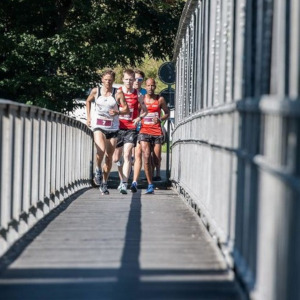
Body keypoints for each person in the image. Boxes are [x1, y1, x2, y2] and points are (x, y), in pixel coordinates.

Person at [86, 69, 129, 195]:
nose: (108, 82)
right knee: (100, 150)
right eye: (105, 80)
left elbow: (126, 110)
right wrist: (88, 117)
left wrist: (118, 112)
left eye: (110, 80)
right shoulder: (96, 91)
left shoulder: (118, 93)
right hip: (98, 125)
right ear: (102, 80)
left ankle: (104, 183)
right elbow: (88, 101)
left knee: (109, 157)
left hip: (113, 128)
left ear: (113, 80)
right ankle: (98, 169)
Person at [112, 69, 148, 194]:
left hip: (131, 128)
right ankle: (122, 178)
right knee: (116, 158)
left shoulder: (138, 95)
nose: (129, 82)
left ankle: (124, 184)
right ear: (122, 80)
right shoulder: (118, 93)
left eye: (131, 80)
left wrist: (139, 118)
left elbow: (145, 110)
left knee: (127, 154)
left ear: (134, 80)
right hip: (118, 127)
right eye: (126, 79)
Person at [139, 78, 169, 194]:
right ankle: (150, 184)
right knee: (146, 156)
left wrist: (160, 119)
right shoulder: (141, 99)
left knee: (156, 159)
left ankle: (153, 172)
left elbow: (167, 113)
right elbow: (136, 112)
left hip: (156, 132)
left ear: (155, 87)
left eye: (152, 86)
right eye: (148, 85)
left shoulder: (160, 99)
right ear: (145, 87)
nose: (150, 88)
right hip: (144, 131)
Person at [130, 69, 147, 193]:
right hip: (126, 126)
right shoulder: (125, 92)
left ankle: (134, 181)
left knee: (138, 154)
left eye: (140, 80)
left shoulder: (145, 93)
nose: (137, 81)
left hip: (140, 125)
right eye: (135, 79)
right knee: (125, 156)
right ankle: (125, 176)